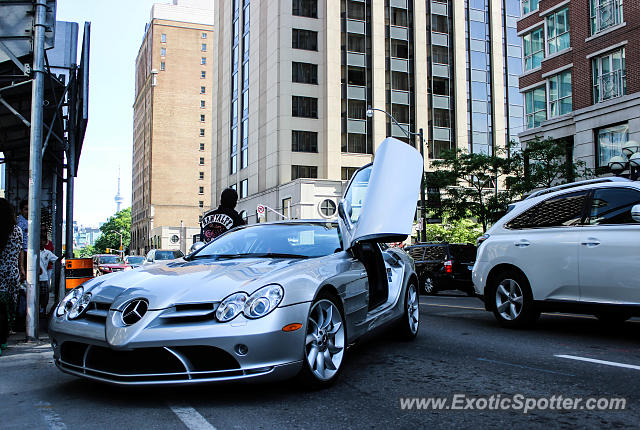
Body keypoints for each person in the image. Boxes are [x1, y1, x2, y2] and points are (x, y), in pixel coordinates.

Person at [0, 198, 25, 354]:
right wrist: (21, 268)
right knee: (7, 309)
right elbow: (20, 251)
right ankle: (3, 339)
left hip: (0, 273)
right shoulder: (17, 230)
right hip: (12, 274)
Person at [39, 234, 58, 316]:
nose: (41, 242)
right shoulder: (32, 251)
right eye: (40, 240)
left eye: (43, 240)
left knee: (45, 295)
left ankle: (43, 310)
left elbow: (56, 259)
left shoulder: (47, 253)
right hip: (34, 279)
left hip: (44, 277)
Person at [16, 200, 28, 274]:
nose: (27, 212)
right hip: (23, 252)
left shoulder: (28, 221)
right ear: (21, 210)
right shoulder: (20, 222)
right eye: (25, 209)